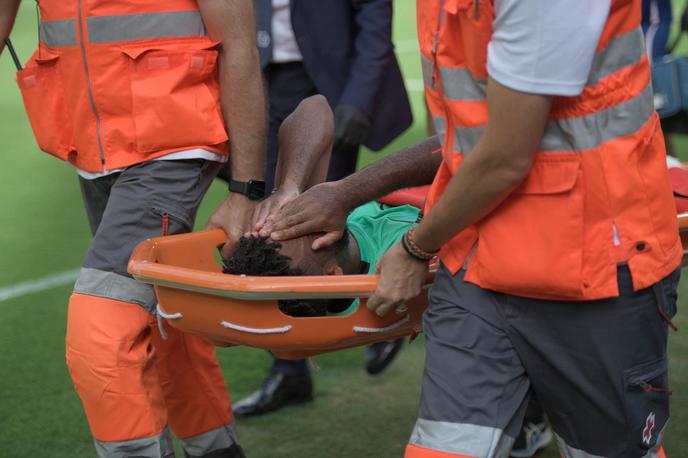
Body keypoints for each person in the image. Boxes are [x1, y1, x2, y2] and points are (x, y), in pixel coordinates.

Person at [261, 1, 681, 456]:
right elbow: (463, 141)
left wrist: (413, 244)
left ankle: (534, 411)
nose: (286, 229)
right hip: (475, 258)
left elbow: (503, 155)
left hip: (590, 261)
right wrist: (321, 192)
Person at [1, 1, 266, 457]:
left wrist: (245, 190)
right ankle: (217, 448)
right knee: (164, 309)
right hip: (89, 147)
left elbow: (239, 46)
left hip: (176, 143)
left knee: (102, 327)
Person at [229, 93, 415, 416]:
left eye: (273, 231)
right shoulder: (393, 258)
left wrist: (289, 186)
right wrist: (346, 194)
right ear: (332, 276)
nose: (285, 223)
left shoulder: (313, 250)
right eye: (292, 235)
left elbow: (315, 107)